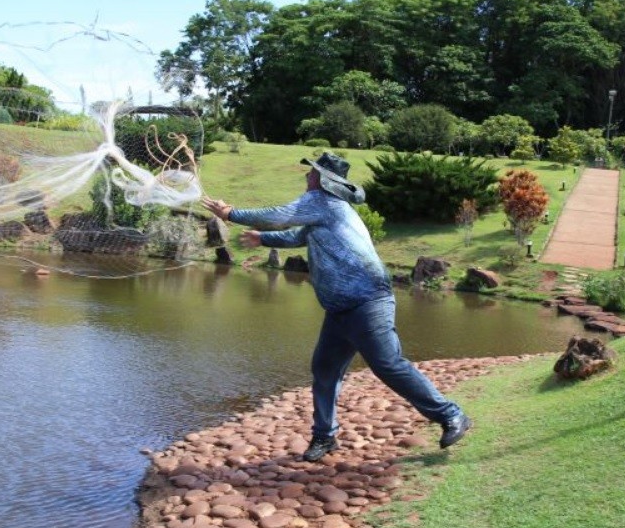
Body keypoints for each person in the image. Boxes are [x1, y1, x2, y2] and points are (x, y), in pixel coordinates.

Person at [202, 151, 472, 462]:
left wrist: (231, 213)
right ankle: (325, 436)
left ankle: (452, 415)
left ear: (324, 180)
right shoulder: (323, 212)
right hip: (340, 307)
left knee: (387, 364)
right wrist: (264, 240)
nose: (307, 177)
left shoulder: (323, 202)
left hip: (368, 298)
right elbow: (297, 235)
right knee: (325, 369)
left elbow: (280, 214)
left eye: (312, 173)